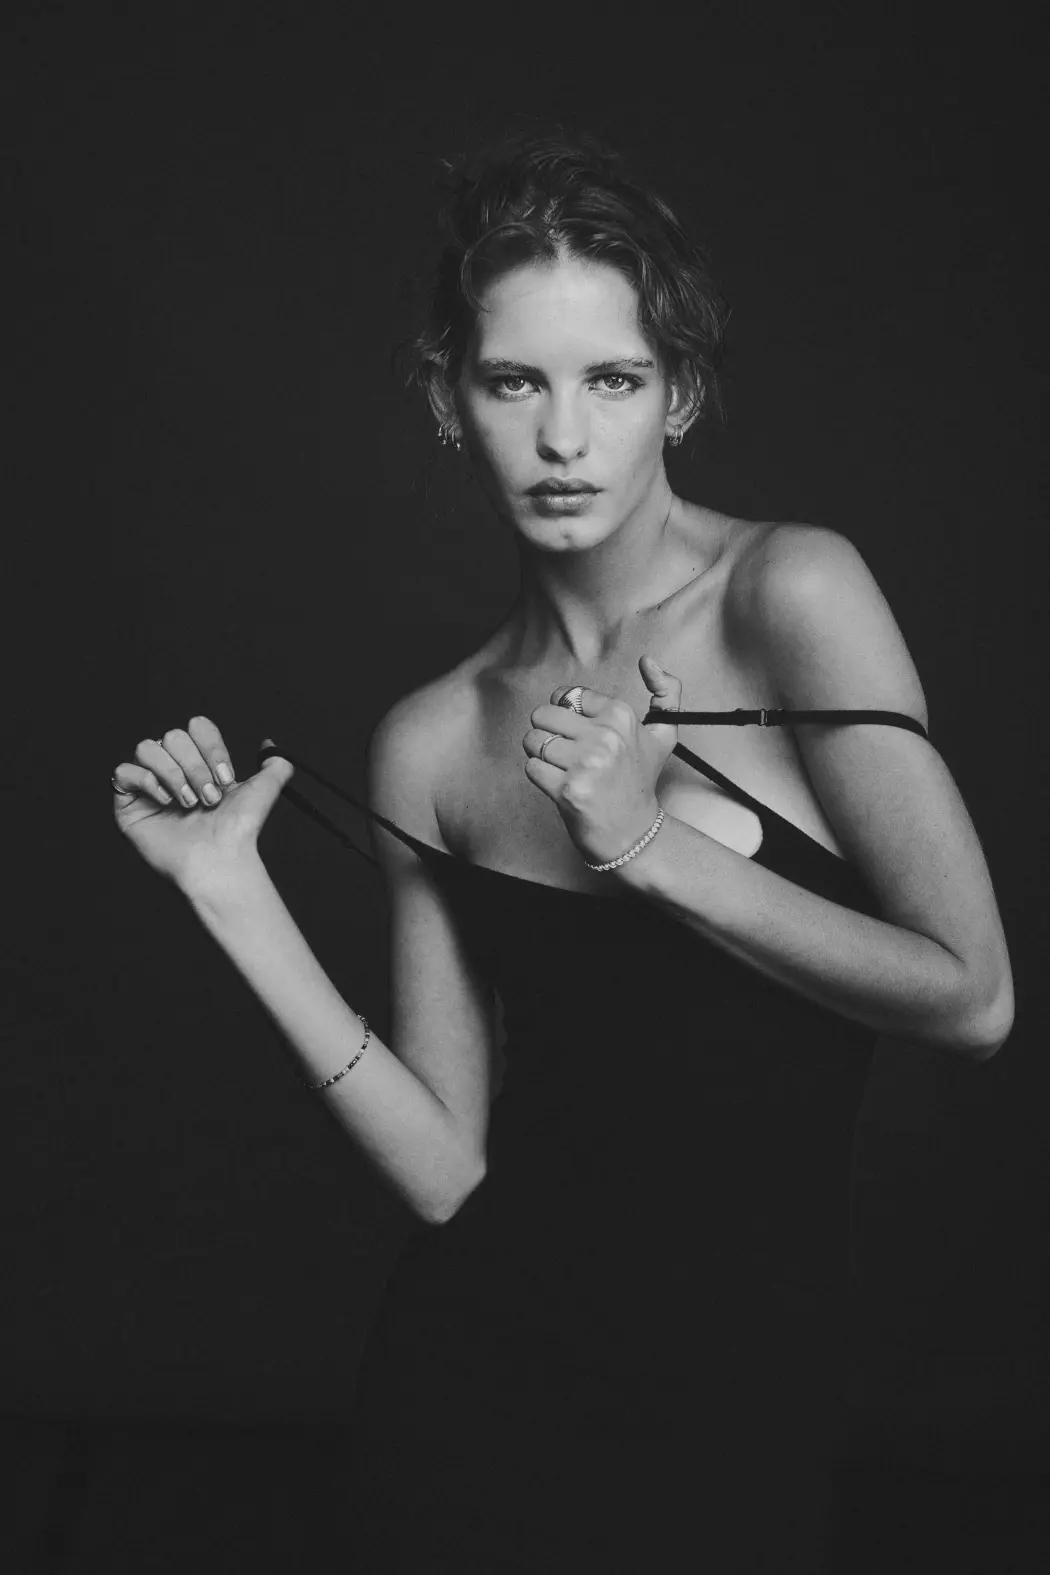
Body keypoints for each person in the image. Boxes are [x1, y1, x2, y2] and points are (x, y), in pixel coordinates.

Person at [111, 128, 1014, 1571]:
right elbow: (444, 1173)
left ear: (680, 395)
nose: (564, 438)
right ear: (448, 399)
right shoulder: (431, 737)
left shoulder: (792, 593)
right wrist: (231, 895)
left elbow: (972, 999)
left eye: (613, 380)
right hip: (463, 1409)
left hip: (739, 1408)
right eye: (514, 381)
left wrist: (647, 841)